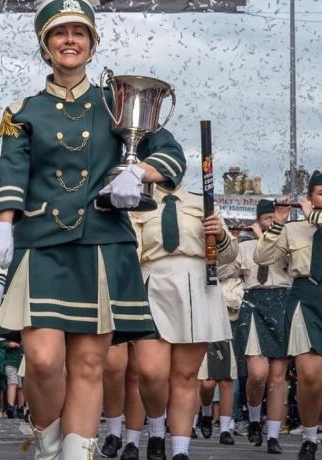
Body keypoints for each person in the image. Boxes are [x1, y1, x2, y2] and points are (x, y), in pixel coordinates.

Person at [0, 0, 185, 460]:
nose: (69, 40)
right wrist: (3, 226)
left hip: (102, 245)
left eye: (79, 32)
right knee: (44, 360)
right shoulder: (22, 113)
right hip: (43, 246)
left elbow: (170, 153)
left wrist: (136, 172)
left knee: (91, 365)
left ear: (93, 42)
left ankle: (77, 455)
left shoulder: (118, 101)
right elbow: (10, 173)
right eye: (59, 33)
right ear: (45, 45)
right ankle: (51, 443)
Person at [127, 185, 236, 460]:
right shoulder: (138, 203)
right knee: (151, 373)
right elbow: (131, 254)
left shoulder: (203, 203)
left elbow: (229, 254)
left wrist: (219, 234)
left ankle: (180, 450)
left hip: (195, 286)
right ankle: (154, 428)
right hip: (151, 283)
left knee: (185, 376)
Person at [254, 170, 322, 460]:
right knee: (309, 375)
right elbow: (263, 257)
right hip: (304, 296)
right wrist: (279, 222)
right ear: (309, 198)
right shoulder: (293, 229)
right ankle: (309, 435)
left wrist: (316, 216)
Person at [234, 199, 292, 450]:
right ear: (258, 221)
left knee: (278, 377)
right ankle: (255, 419)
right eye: (266, 218)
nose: (271, 222)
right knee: (258, 374)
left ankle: (273, 436)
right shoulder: (246, 247)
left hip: (282, 301)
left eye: (274, 217)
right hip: (254, 302)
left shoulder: (289, 243)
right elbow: (226, 274)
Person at [197, 220, 245, 447]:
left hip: (220, 315)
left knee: (226, 378)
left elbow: (230, 261)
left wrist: (223, 236)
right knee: (205, 383)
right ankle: (205, 412)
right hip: (198, 311)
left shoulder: (219, 228)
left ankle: (226, 427)